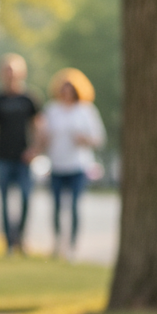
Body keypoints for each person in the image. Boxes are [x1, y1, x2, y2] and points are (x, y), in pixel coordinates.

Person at [38, 68, 106, 259]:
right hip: (57, 165)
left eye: (70, 89)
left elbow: (99, 139)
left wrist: (84, 139)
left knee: (75, 206)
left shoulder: (86, 110)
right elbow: (43, 136)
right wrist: (40, 143)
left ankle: (72, 246)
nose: (66, 92)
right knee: (57, 207)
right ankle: (57, 243)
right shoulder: (52, 110)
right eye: (63, 89)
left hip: (78, 166)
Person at [0, 53, 41, 254]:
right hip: (3, 158)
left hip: (24, 159)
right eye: (6, 71)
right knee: (4, 202)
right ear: (1, 74)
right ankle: (8, 243)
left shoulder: (29, 98)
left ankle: (20, 238)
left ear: (21, 73)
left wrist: (35, 149)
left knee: (25, 198)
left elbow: (38, 127)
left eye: (13, 71)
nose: (10, 75)